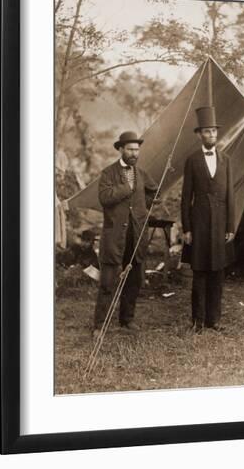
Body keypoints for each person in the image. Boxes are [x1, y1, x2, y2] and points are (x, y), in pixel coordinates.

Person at [93, 131, 159, 338]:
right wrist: (126, 188)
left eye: (137, 149)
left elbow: (153, 191)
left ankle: (126, 319)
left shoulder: (141, 173)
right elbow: (104, 198)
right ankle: (99, 326)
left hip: (136, 234)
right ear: (120, 149)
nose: (134, 153)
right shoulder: (108, 173)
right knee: (108, 281)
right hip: (114, 236)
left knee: (135, 278)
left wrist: (143, 208)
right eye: (130, 149)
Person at [181, 106, 235, 333]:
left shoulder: (226, 160)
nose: (211, 135)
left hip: (221, 224)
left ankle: (215, 320)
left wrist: (231, 226)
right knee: (200, 273)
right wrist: (187, 228)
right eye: (207, 132)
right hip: (200, 224)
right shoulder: (192, 160)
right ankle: (198, 321)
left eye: (214, 131)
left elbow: (231, 194)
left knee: (218, 273)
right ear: (199, 134)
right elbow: (185, 198)